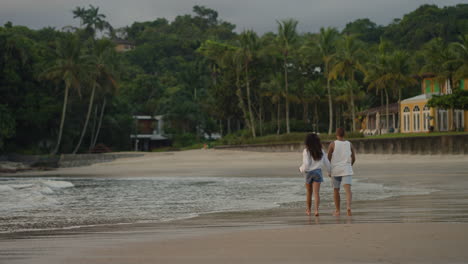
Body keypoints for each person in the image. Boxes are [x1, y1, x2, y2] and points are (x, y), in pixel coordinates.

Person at [299, 133, 331, 217]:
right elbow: (327, 162)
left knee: (309, 192)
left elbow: (306, 164)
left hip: (308, 173)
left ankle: (308, 210)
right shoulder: (321, 150)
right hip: (318, 172)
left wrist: (301, 169)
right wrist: (329, 171)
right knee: (316, 193)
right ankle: (316, 210)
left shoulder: (306, 151)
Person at [328, 128, 356, 216]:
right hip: (346, 169)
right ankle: (348, 207)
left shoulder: (333, 144)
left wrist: (329, 170)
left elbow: (328, 158)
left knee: (336, 190)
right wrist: (349, 165)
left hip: (335, 170)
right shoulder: (349, 144)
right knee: (348, 191)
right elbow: (354, 157)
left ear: (336, 134)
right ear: (344, 134)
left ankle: (337, 210)